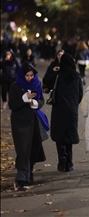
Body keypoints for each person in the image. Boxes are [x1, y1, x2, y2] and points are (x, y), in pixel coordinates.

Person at [8, 63, 48, 191]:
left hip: (34, 122)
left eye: (32, 75)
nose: (30, 78)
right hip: (20, 123)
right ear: (22, 75)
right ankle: (21, 179)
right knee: (23, 150)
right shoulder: (15, 86)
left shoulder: (37, 85)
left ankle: (29, 175)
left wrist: (35, 103)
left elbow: (41, 100)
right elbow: (12, 105)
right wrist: (24, 99)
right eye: (27, 75)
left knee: (33, 149)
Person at [50, 53, 83, 172]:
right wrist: (74, 104)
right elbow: (80, 94)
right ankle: (69, 162)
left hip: (59, 108)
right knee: (69, 135)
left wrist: (53, 69)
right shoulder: (77, 76)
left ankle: (61, 157)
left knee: (60, 134)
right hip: (72, 110)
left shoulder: (58, 75)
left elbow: (47, 82)